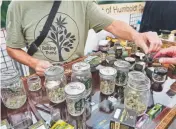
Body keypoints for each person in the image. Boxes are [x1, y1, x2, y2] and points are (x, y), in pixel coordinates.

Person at [6, 1, 162, 76]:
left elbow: (113, 25)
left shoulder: (81, 2)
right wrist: (34, 63)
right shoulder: (18, 5)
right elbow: (12, 47)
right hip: (41, 78)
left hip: (76, 74)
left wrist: (136, 35)